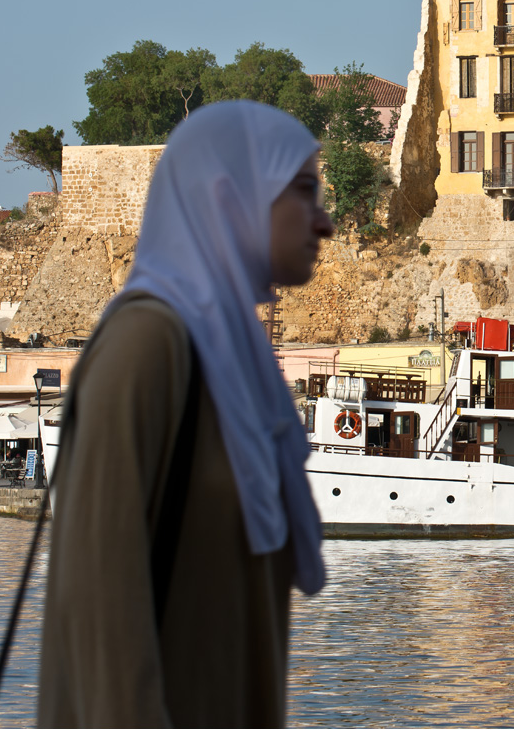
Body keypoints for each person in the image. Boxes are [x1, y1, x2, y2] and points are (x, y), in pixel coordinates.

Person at [38, 101, 334, 727]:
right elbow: (98, 602)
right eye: (304, 191)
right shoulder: (147, 347)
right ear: (235, 196)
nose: (325, 222)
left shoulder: (237, 358)